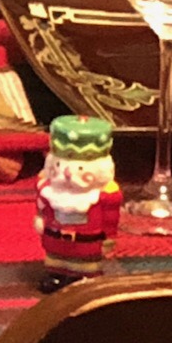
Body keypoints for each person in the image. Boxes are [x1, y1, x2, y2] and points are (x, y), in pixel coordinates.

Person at [35, 115, 121, 290]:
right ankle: (56, 275)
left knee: (85, 262)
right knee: (55, 258)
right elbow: (41, 206)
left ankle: (83, 278)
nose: (67, 174)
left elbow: (110, 218)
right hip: (55, 237)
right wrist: (39, 218)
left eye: (80, 168)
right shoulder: (47, 189)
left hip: (87, 241)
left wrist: (109, 237)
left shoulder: (105, 195)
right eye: (59, 166)